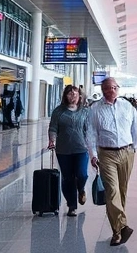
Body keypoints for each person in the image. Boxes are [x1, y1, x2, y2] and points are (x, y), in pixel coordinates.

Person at [86, 77, 137, 246]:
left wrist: (134, 147)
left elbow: (135, 127)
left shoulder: (127, 106)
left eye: (114, 87)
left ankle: (117, 231)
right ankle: (121, 227)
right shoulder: (95, 109)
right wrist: (93, 154)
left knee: (122, 192)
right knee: (112, 191)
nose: (111, 91)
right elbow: (91, 133)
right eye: (107, 88)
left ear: (118, 88)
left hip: (127, 152)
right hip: (106, 154)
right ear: (102, 91)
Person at [48, 85, 90, 217]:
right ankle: (72, 205)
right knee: (68, 178)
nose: (73, 96)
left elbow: (89, 130)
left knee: (82, 174)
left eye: (75, 94)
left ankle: (81, 189)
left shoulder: (84, 112)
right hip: (63, 150)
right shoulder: (58, 111)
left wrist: (92, 147)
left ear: (80, 97)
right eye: (70, 94)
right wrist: (52, 140)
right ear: (65, 96)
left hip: (81, 149)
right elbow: (53, 127)